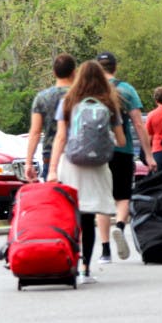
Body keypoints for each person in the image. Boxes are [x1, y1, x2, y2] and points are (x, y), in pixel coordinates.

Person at [46, 60, 126, 285]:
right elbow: (121, 140)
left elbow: (60, 137)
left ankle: (69, 262)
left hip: (72, 165)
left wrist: (52, 169)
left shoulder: (68, 102)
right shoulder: (110, 104)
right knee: (89, 216)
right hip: (97, 167)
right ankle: (85, 269)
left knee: (72, 216)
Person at [96, 51, 157, 264]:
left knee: (102, 200)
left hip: (97, 152)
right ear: (115, 67)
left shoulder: (90, 90)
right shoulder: (126, 89)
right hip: (123, 150)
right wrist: (148, 155)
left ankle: (105, 252)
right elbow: (139, 124)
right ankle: (120, 226)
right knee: (122, 196)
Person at [25, 53, 76, 182]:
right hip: (77, 153)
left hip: (51, 153)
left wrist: (29, 162)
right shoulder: (80, 96)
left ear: (54, 72)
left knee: (55, 198)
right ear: (74, 72)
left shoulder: (42, 98)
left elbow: (35, 132)